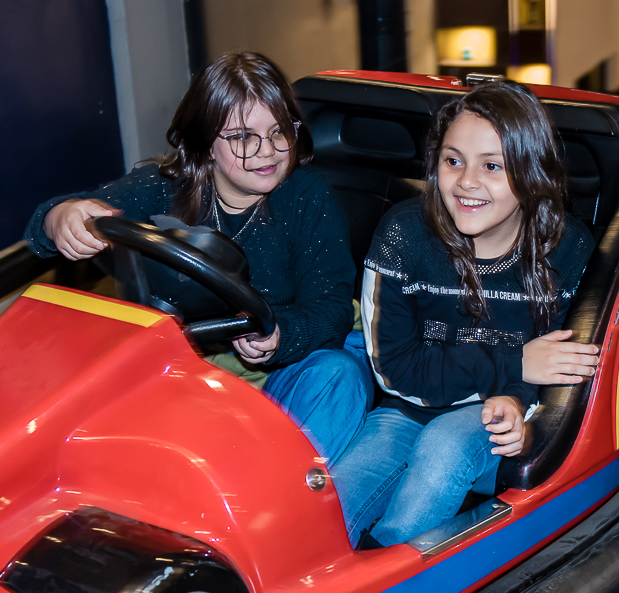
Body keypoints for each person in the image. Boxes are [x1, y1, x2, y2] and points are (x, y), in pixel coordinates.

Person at [23, 52, 368, 465]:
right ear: (205, 144)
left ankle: (275, 487)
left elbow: (331, 309)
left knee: (339, 375)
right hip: (189, 366)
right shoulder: (163, 187)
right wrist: (61, 218)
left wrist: (280, 336)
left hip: (280, 367)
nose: (269, 150)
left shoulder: (307, 198)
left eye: (280, 132)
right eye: (243, 137)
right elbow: (80, 210)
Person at [331, 80, 599, 549]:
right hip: (405, 407)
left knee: (445, 447)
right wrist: (514, 363)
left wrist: (516, 398)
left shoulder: (567, 247)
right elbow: (394, 371)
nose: (467, 181)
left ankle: (389, 576)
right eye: (453, 161)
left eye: (492, 166)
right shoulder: (403, 234)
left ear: (531, 172)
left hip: (495, 412)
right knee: (332, 506)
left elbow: (559, 363)